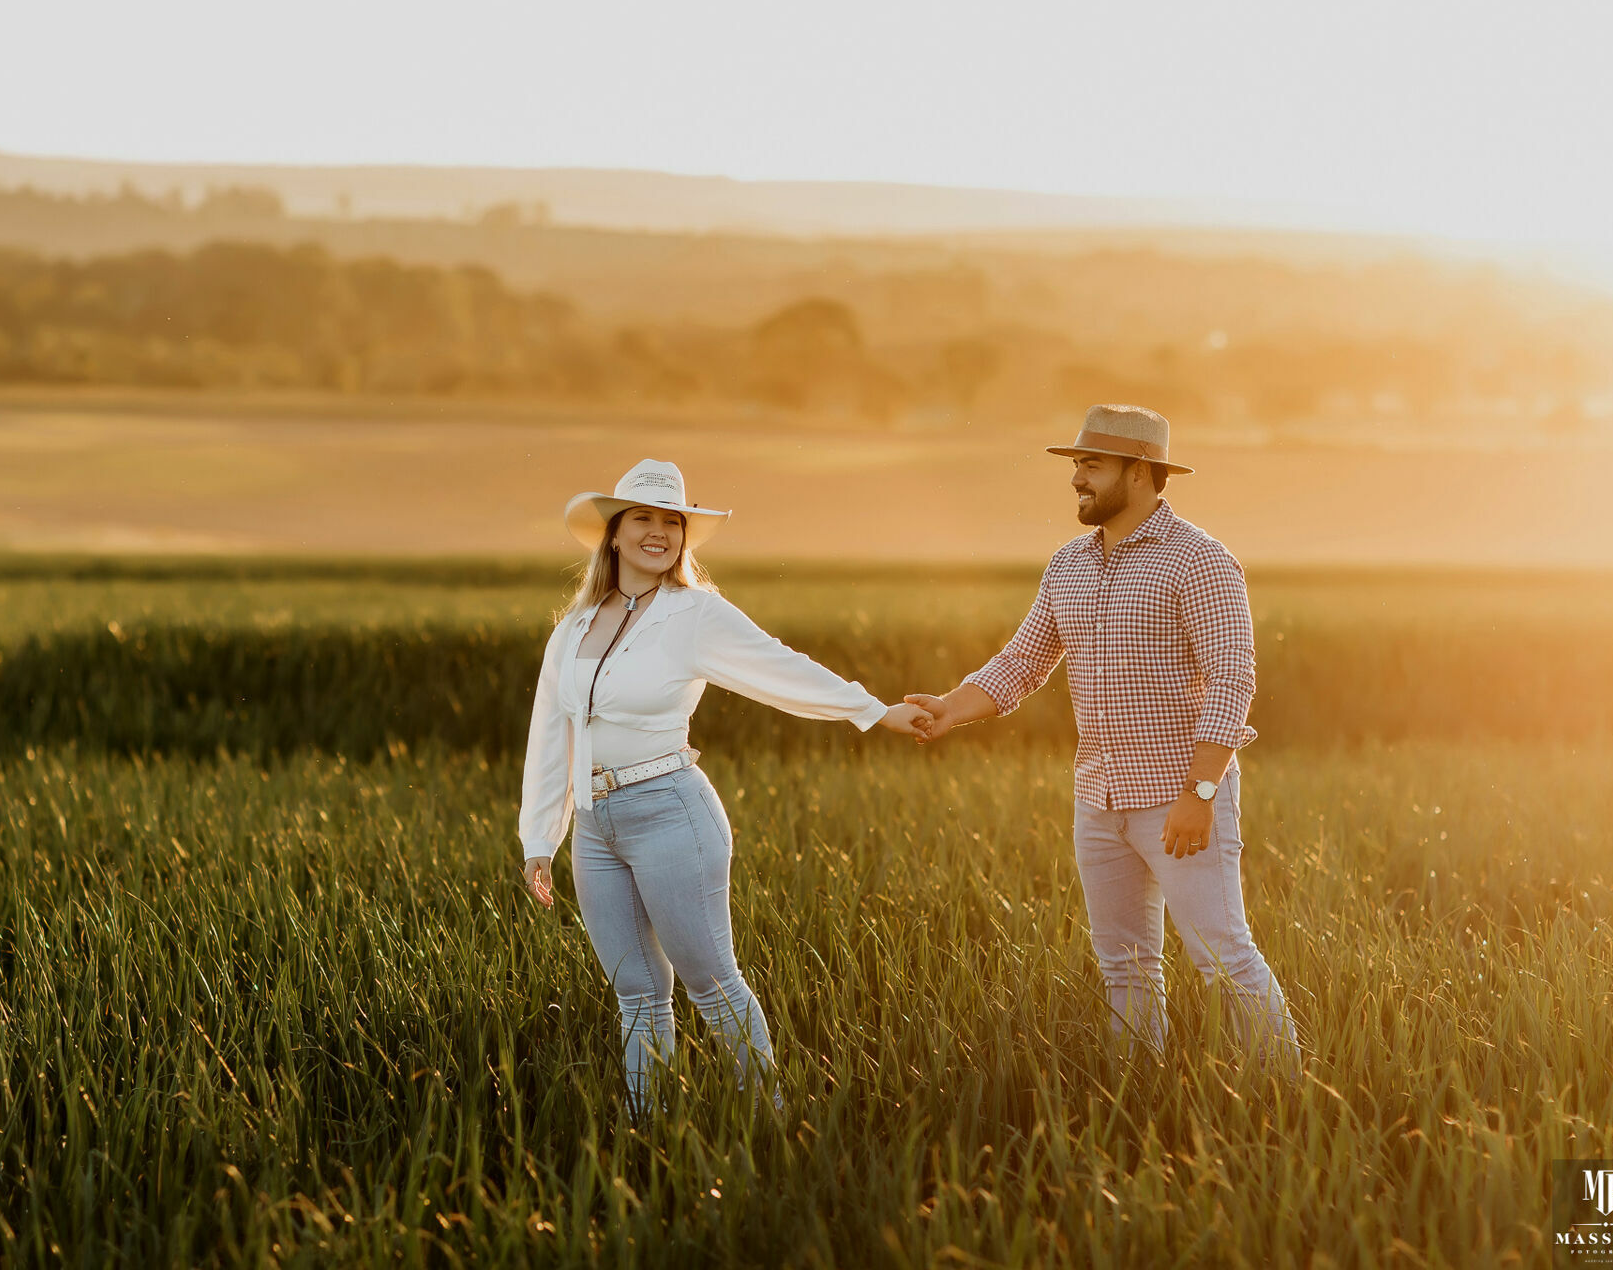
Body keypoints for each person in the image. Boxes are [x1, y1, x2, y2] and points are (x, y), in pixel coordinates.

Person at [519, 458, 929, 1113]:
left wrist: (873, 710)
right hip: (596, 828)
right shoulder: (574, 627)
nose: (659, 533)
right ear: (614, 534)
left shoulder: (695, 615)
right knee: (637, 994)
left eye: (672, 522)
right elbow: (553, 730)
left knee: (711, 984)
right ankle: (647, 1131)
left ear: (684, 537)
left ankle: (767, 1119)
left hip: (670, 816)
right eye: (643, 519)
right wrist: (542, 835)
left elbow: (779, 667)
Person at [905, 405, 1300, 1069]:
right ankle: (1138, 1100)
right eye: (1076, 466)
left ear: (1141, 473)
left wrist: (1200, 792)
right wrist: (949, 708)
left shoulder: (1201, 562)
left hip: (1181, 800)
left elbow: (1232, 685)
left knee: (1223, 961)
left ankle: (1286, 1103)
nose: (1076, 479)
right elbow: (1021, 663)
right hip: (1099, 800)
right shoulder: (1068, 566)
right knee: (1125, 968)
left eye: (1091, 465)